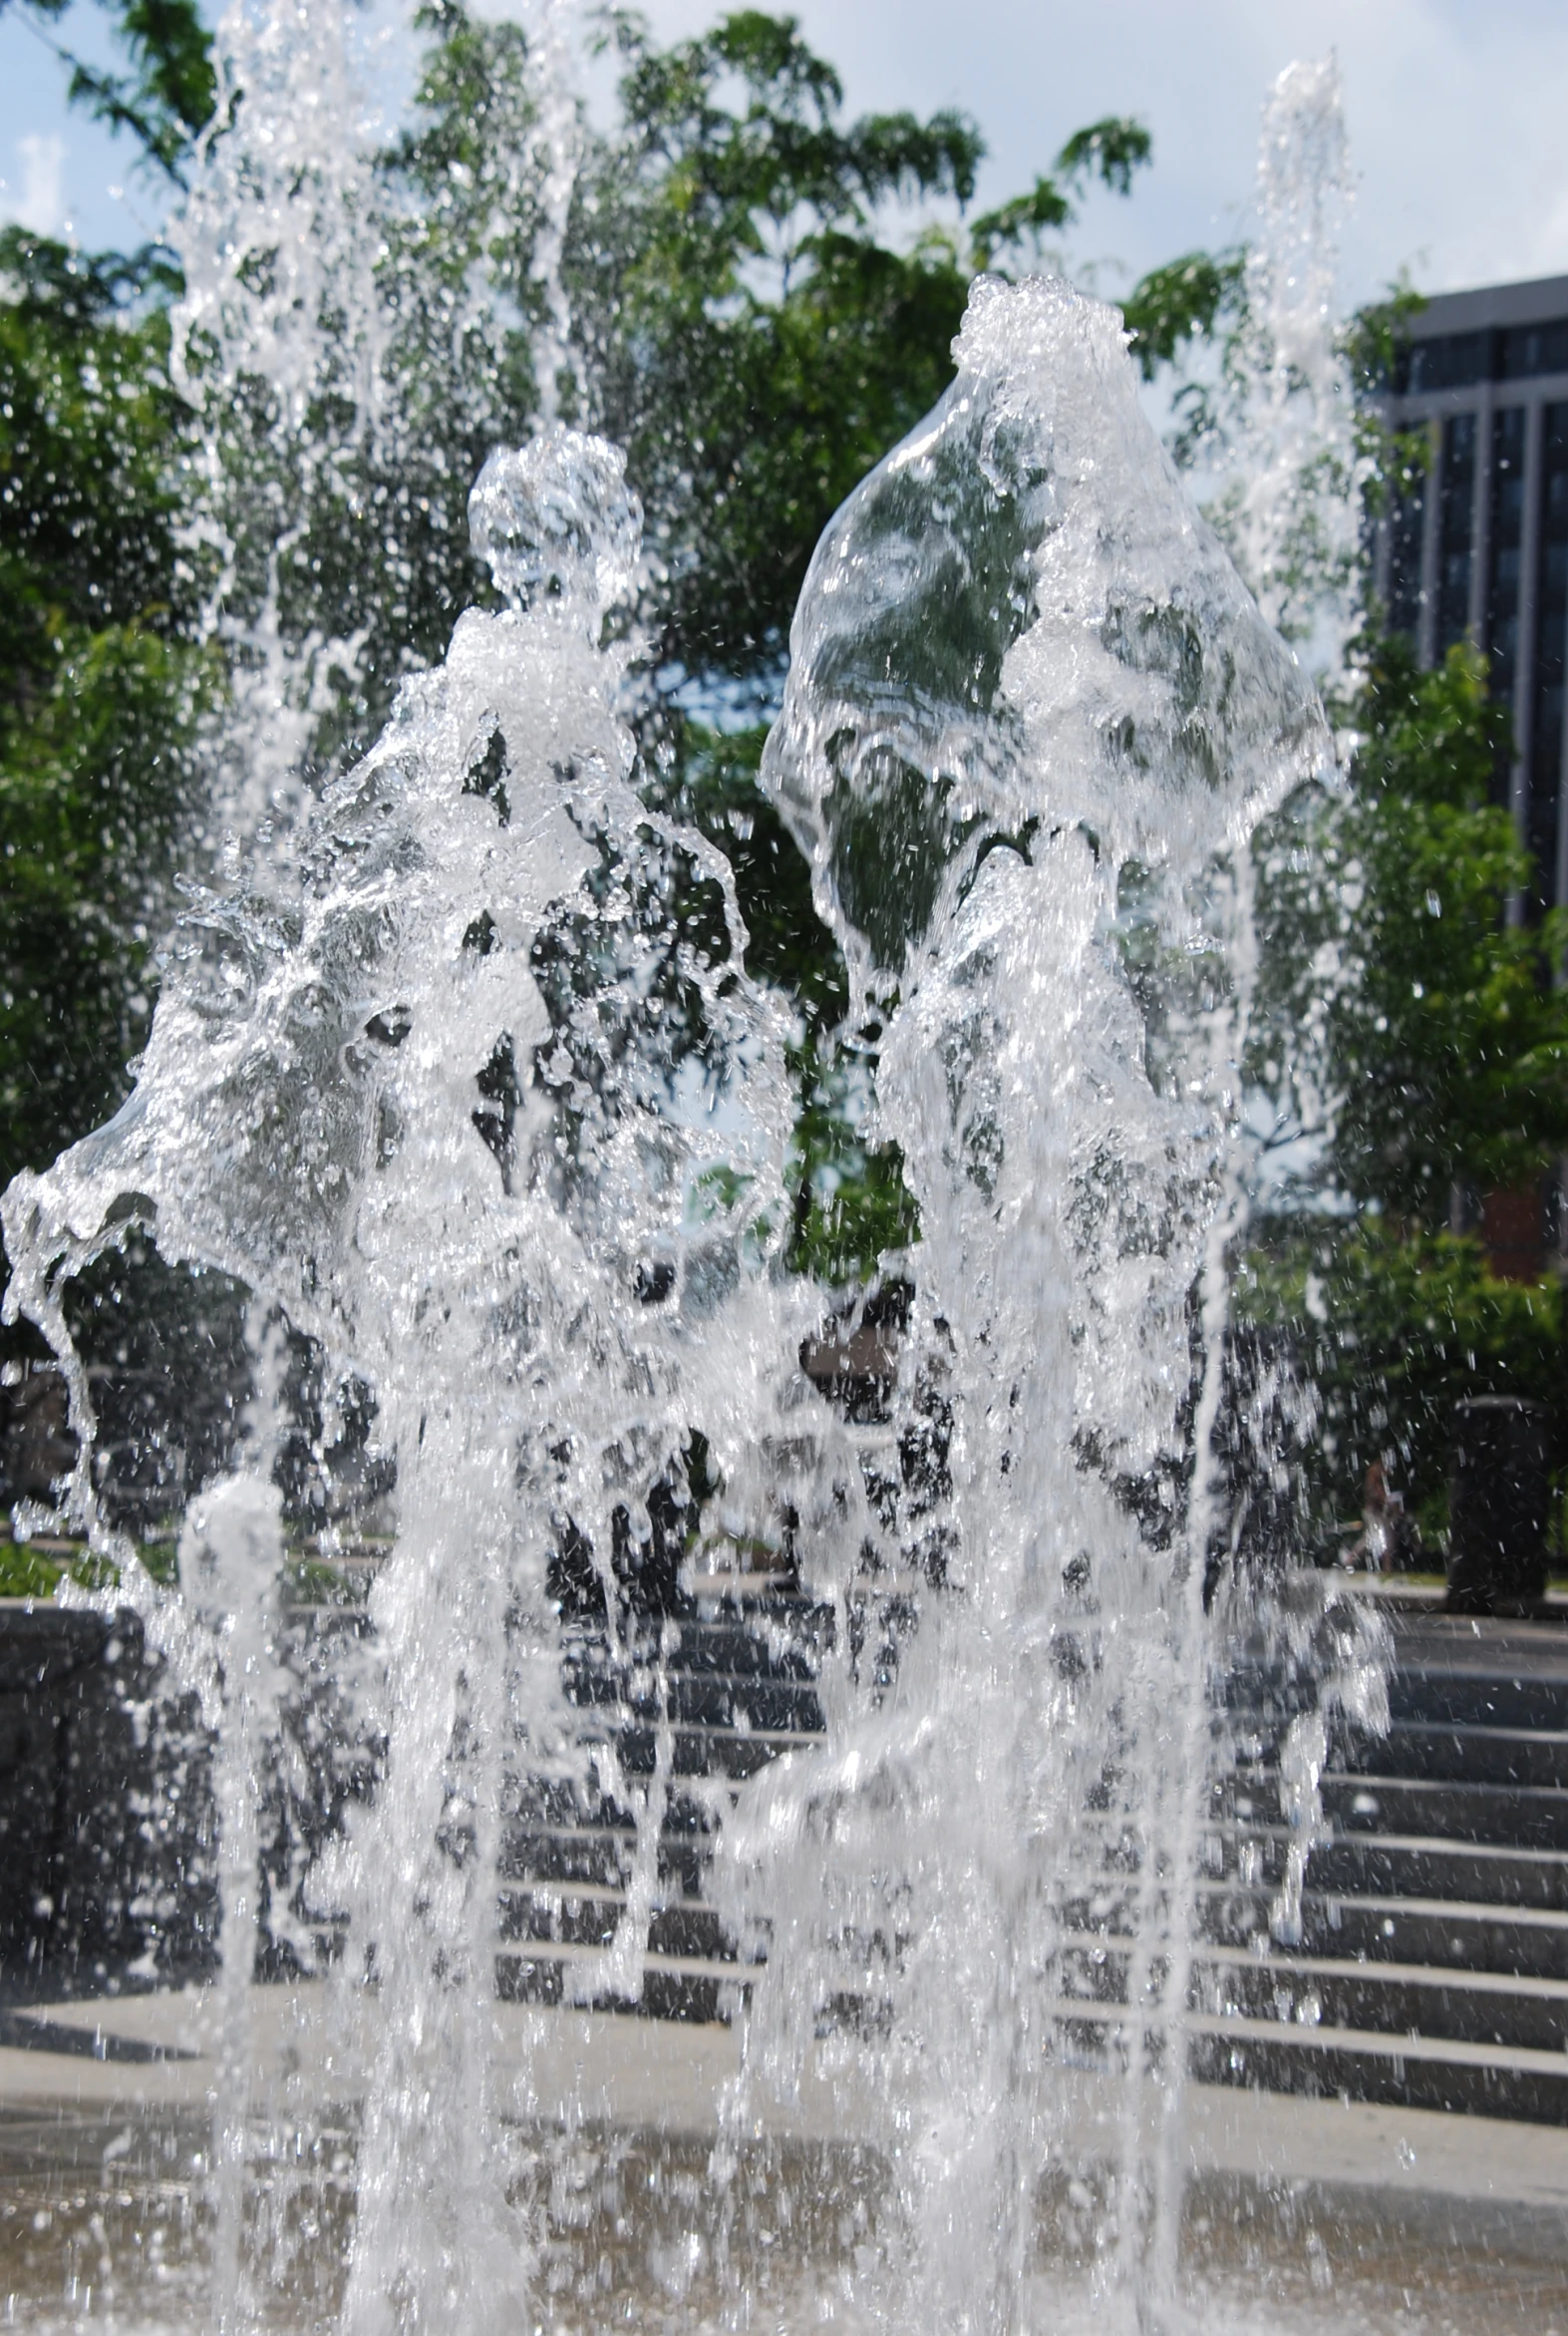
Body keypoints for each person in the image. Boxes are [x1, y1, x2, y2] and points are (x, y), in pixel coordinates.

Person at [1344, 1460, 1422, 1573]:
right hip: (1375, 1515)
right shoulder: (1373, 1483)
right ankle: (1385, 1568)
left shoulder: (1375, 1482)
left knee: (1370, 1539)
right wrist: (1394, 1507)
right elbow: (1382, 1498)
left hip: (1375, 1515)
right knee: (1385, 1541)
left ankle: (1350, 1560)